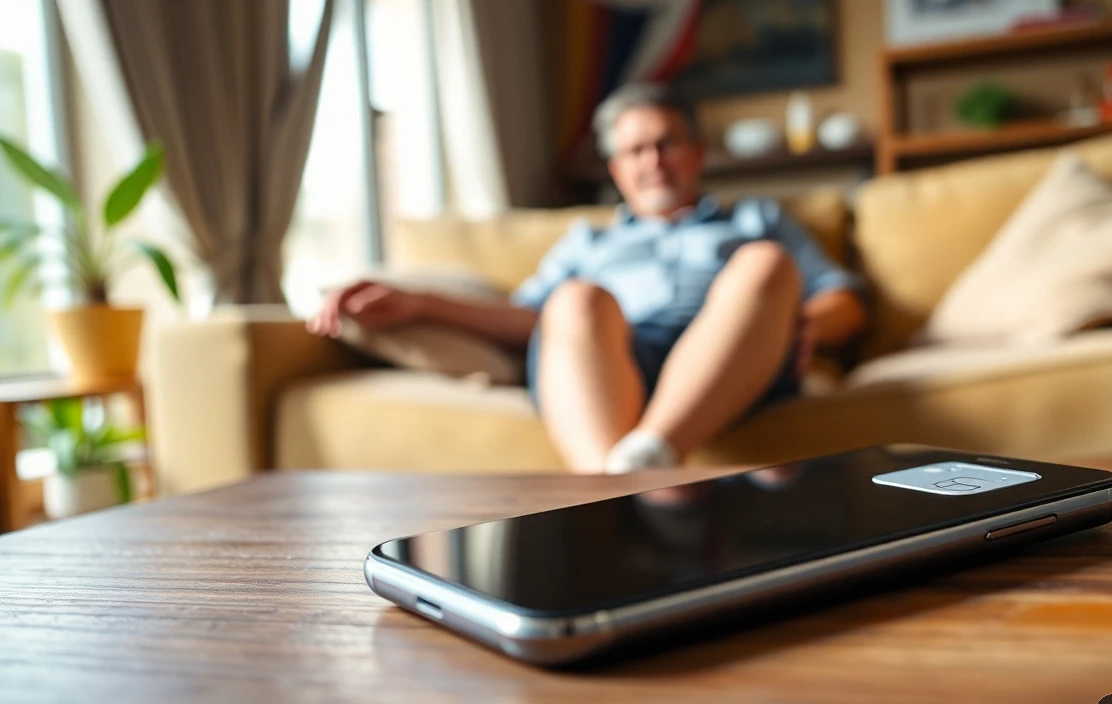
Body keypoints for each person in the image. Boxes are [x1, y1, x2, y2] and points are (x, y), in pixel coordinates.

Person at [308, 83, 867, 474]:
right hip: (616, 357)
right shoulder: (587, 241)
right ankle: (621, 482)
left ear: (697, 153)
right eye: (635, 150)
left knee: (766, 262)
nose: (654, 161)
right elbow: (531, 319)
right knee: (573, 299)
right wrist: (423, 305)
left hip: (733, 357)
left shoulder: (755, 220)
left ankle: (644, 460)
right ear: (616, 169)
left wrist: (804, 323)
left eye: (667, 143)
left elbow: (843, 302)